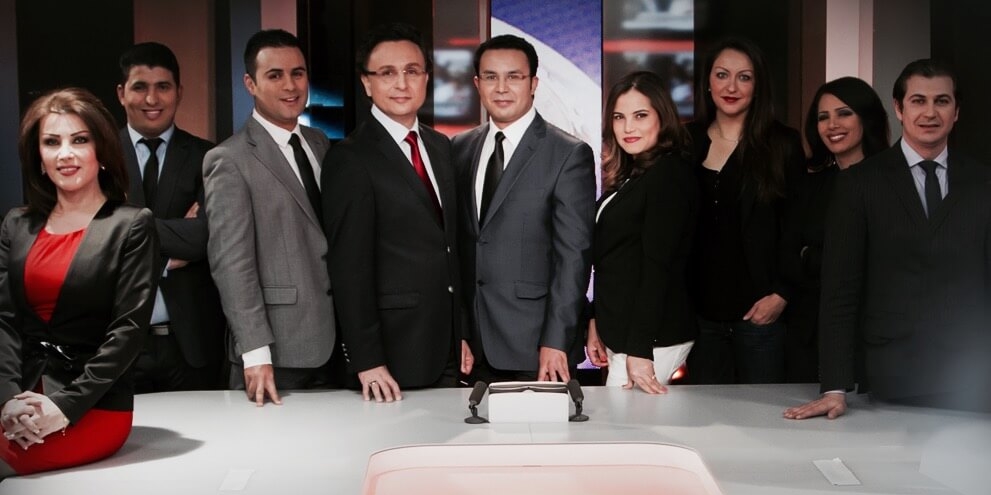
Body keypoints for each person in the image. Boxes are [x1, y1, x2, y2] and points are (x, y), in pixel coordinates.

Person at [785, 59, 991, 419]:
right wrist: (834, 387)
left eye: (942, 101)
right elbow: (840, 289)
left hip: (972, 377)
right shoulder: (859, 183)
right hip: (891, 377)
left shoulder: (983, 182)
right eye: (918, 101)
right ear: (898, 108)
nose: (930, 112)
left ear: (956, 111)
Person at [0, 88, 158, 477]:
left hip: (93, 404)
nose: (65, 154)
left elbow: (127, 333)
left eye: (80, 140)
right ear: (38, 157)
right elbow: (5, 322)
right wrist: (7, 400)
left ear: (101, 150)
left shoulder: (131, 224)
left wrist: (64, 406)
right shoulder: (16, 224)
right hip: (19, 399)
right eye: (52, 142)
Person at [322, 22, 471, 403]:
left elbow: (450, 248)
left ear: (426, 78)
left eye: (412, 71)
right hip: (390, 354)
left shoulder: (440, 147)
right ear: (366, 82)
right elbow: (348, 268)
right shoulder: (350, 158)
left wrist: (462, 332)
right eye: (387, 73)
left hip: (447, 347)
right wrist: (367, 359)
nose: (402, 84)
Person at [453, 34, 596, 383]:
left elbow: (573, 257)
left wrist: (556, 340)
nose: (501, 88)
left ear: (533, 83)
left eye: (514, 77)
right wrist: (459, 329)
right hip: (472, 346)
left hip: (537, 346)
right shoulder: (460, 148)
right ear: (477, 84)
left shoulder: (568, 153)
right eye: (491, 77)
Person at [203, 29, 335, 406]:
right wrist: (255, 351)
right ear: (251, 84)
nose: (290, 86)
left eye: (298, 73)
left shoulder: (320, 143)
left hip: (332, 342)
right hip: (276, 352)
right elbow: (232, 265)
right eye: (275, 75)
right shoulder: (229, 159)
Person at [684, 37, 804, 384]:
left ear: (758, 85)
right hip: (700, 317)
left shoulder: (783, 144)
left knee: (761, 411)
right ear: (708, 82)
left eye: (744, 77)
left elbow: (796, 226)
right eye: (722, 75)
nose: (731, 87)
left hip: (760, 314)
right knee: (704, 411)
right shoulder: (686, 140)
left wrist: (782, 294)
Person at [116, 41, 226, 392]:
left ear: (179, 92)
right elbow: (89, 241)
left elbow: (206, 236)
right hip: (117, 345)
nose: (152, 99)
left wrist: (119, 226)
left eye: (163, 87)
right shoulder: (98, 158)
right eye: (140, 87)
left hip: (191, 346)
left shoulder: (209, 157)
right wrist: (167, 257)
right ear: (121, 93)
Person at [586, 71, 699, 393]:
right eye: (619, 117)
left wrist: (640, 349)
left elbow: (657, 267)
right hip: (623, 335)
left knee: (623, 424)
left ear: (662, 117)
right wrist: (596, 321)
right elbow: (616, 261)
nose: (628, 128)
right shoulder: (635, 174)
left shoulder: (668, 174)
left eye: (640, 116)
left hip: (651, 341)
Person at [784, 77, 888, 383]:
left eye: (844, 113)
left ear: (866, 118)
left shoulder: (891, 184)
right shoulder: (810, 185)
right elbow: (789, 256)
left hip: (874, 334)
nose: (832, 125)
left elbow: (887, 260)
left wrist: (815, 257)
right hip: (810, 332)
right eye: (823, 117)